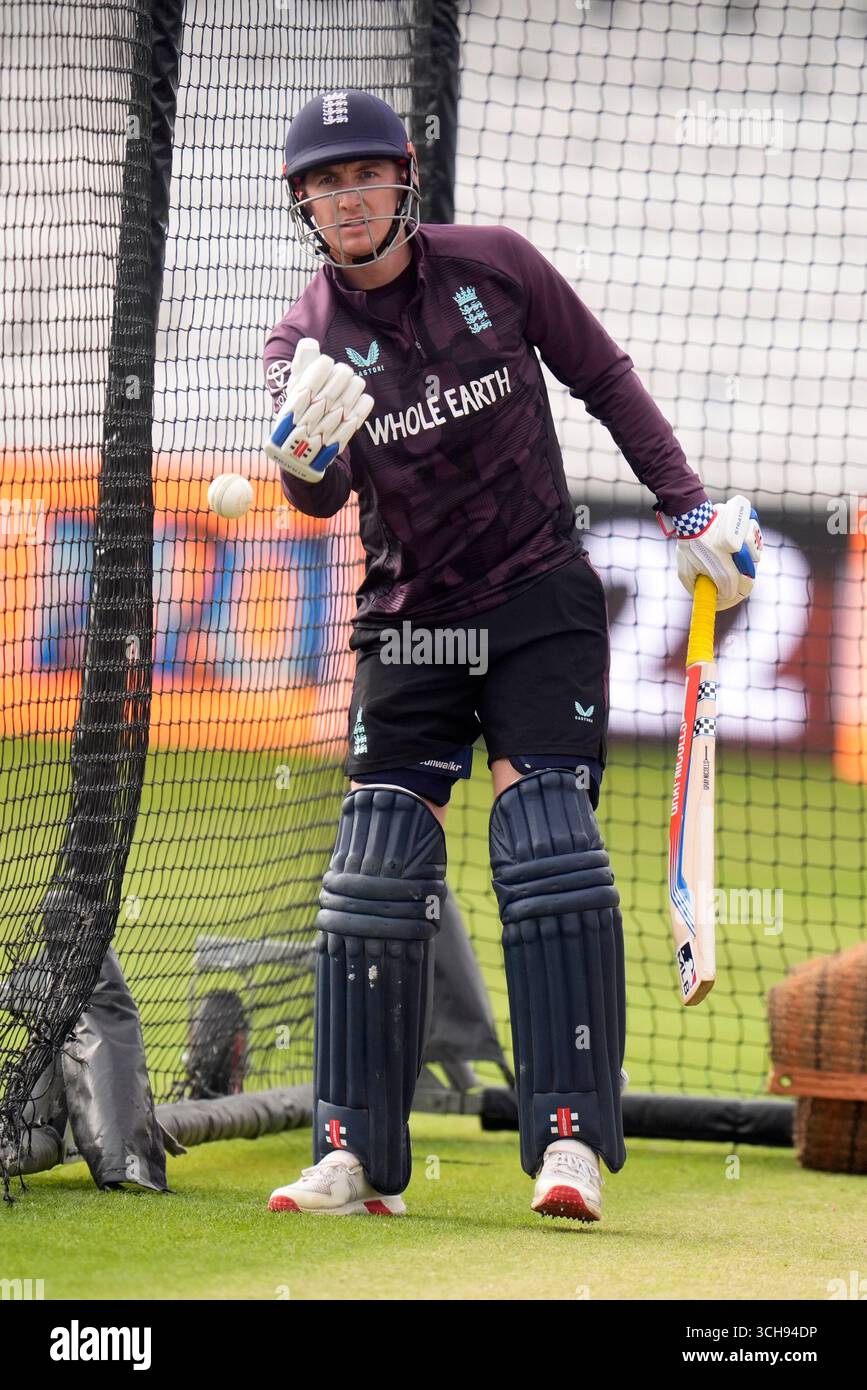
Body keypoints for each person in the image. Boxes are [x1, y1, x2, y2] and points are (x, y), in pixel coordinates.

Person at [262, 90, 763, 1221]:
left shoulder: (499, 266)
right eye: (322, 185)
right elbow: (321, 494)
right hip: (411, 618)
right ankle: (351, 1155)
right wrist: (301, 454)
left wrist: (684, 513)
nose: (345, 199)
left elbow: (606, 378)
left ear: (403, 180)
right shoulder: (302, 342)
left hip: (538, 599)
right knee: (377, 871)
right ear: (306, 206)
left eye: (362, 176)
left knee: (546, 849)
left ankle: (571, 1142)